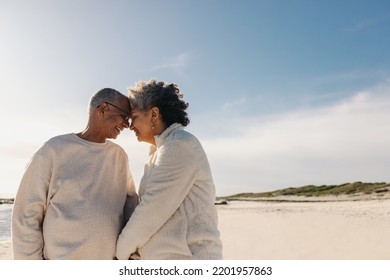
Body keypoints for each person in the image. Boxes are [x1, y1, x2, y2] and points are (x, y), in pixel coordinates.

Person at [12, 88, 138, 260]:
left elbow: (131, 205)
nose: (127, 125)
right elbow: (25, 214)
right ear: (102, 109)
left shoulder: (120, 156)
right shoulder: (54, 150)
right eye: (125, 116)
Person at [115, 80, 223, 260]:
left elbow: (151, 211)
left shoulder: (179, 145)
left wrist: (120, 254)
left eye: (134, 117)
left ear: (154, 114)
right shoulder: (160, 150)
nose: (130, 126)